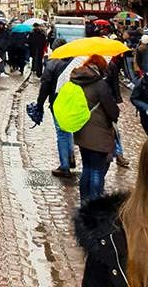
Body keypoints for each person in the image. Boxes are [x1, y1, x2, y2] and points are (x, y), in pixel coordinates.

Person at [75, 140, 148, 287]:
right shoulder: (110, 241)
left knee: (90, 169)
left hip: (92, 140)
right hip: (97, 140)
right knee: (93, 170)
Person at [70, 55, 120, 202]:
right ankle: (94, 205)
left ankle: (84, 202)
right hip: (99, 134)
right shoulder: (100, 85)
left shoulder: (76, 81)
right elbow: (113, 112)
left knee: (87, 168)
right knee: (97, 170)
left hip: (82, 131)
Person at [35, 38, 76, 178]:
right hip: (72, 102)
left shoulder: (52, 64)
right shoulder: (74, 63)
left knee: (61, 133)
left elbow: (45, 86)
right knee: (68, 130)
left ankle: (64, 166)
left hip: (58, 102)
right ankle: (70, 157)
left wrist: (39, 104)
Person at [106, 54, 130, 168]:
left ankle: (119, 154)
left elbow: (115, 85)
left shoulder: (112, 66)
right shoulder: (90, 67)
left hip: (109, 102)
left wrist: (118, 100)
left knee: (114, 129)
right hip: (95, 104)